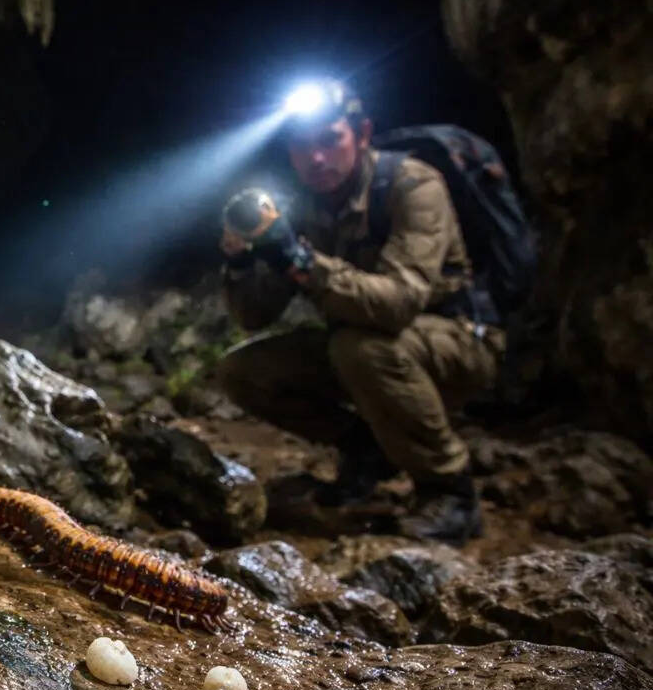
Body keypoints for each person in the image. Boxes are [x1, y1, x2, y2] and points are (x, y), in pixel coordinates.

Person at [215, 79, 503, 544]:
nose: (318, 158)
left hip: (460, 338)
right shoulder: (302, 208)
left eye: (331, 140)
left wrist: (305, 262)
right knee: (241, 370)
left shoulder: (412, 185)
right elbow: (254, 316)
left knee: (358, 348)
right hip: (366, 346)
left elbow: (396, 304)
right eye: (304, 147)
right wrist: (243, 261)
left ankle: (451, 491)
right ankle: (366, 452)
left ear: (362, 133)